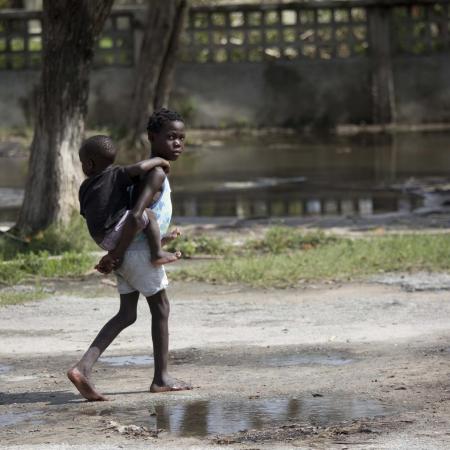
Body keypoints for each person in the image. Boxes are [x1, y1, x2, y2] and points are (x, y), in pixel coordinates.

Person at [68, 109, 191, 401]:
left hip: (129, 251)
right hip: (135, 253)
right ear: (152, 138)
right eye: (170, 137)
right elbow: (137, 217)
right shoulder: (156, 172)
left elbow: (131, 220)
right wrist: (117, 253)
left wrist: (119, 252)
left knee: (126, 313)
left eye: (181, 138)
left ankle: (82, 368)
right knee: (160, 309)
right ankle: (161, 379)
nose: (177, 143)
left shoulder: (140, 174)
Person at [78, 135, 180, 267]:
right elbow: (142, 167)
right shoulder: (116, 174)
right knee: (148, 214)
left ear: (89, 164)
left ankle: (157, 242)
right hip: (113, 234)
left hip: (99, 238)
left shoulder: (84, 187)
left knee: (131, 217)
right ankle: (156, 254)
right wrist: (160, 160)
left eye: (82, 163)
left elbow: (86, 213)